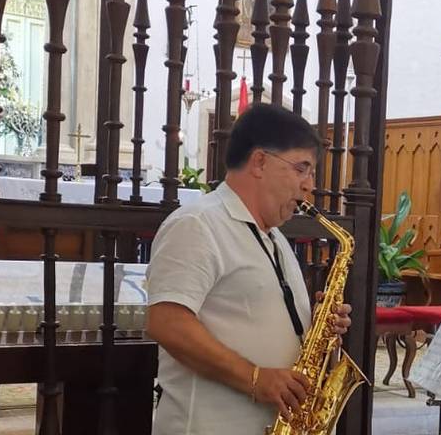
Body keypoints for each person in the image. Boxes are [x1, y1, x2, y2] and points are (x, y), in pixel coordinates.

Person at [146, 103, 352, 434]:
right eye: (302, 168)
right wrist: (255, 379)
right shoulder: (198, 224)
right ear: (259, 162)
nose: (308, 185)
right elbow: (167, 322)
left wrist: (319, 325)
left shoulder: (274, 239)